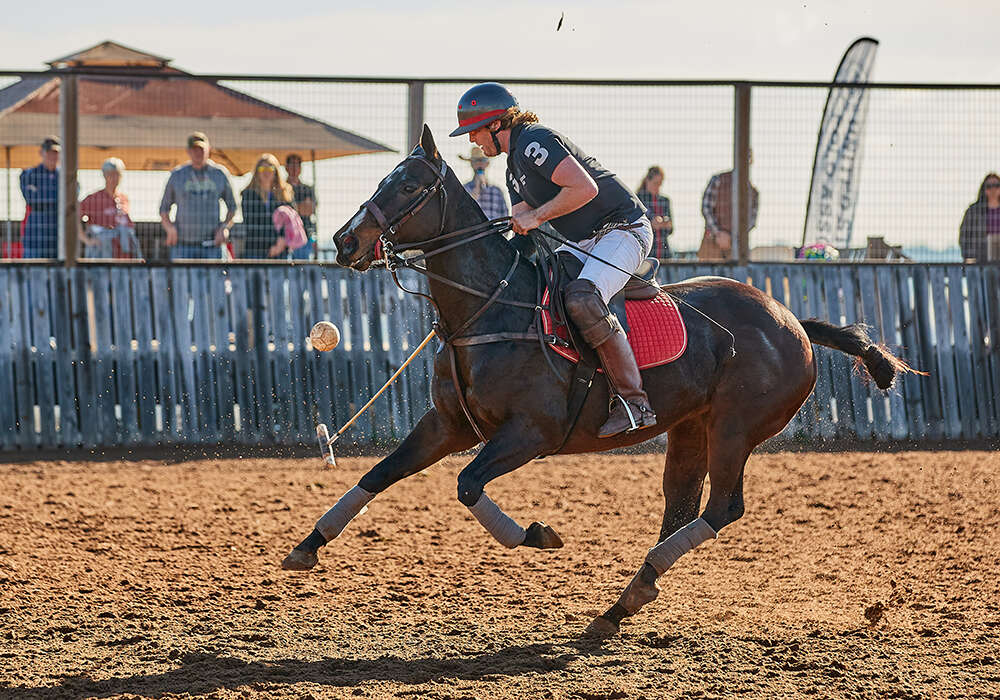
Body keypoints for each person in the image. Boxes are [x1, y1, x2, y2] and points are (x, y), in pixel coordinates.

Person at [449, 82, 656, 437]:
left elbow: (584, 188)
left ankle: (634, 402)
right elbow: (523, 232)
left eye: (475, 131)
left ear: (498, 125)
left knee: (583, 298)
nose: (473, 141)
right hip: (585, 241)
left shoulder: (534, 141)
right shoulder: (512, 168)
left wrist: (538, 216)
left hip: (623, 229)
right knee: (541, 290)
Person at [159, 132, 237, 260]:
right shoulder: (177, 175)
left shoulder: (219, 174)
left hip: (212, 245)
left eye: (201, 149)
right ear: (188, 151)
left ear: (209, 150)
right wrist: (170, 228)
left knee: (215, 279)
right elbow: (163, 209)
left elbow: (233, 207)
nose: (198, 153)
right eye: (194, 149)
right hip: (183, 246)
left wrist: (224, 228)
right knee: (183, 280)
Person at [79, 158, 141, 259]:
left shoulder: (124, 198)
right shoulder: (94, 198)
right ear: (104, 176)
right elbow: (73, 219)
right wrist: (87, 240)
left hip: (123, 253)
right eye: (110, 174)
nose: (114, 178)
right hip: (103, 251)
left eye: (117, 174)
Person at [699, 159, 759, 261]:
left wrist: (734, 238)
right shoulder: (718, 180)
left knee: (736, 275)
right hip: (712, 241)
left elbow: (752, 221)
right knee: (708, 274)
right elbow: (706, 208)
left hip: (738, 246)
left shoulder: (752, 191)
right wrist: (718, 233)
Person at [240, 154, 294, 259]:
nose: (266, 172)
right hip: (255, 249)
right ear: (257, 171)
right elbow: (250, 222)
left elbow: (290, 220)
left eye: (270, 168)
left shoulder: (284, 194)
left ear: (276, 171)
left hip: (281, 249)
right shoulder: (248, 194)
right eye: (262, 168)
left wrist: (281, 241)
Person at [19, 136, 61, 258]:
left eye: (55, 153)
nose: (52, 156)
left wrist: (41, 193)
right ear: (41, 153)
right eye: (49, 152)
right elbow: (32, 200)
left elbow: (71, 200)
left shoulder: (66, 176)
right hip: (35, 234)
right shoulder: (29, 174)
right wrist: (56, 197)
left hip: (57, 234)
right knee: (33, 272)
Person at [460, 146, 509, 220]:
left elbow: (504, 217)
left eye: (482, 160)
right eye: (476, 161)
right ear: (472, 164)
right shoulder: (464, 189)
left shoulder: (497, 191)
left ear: (487, 163)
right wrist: (476, 187)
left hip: (493, 230)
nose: (479, 164)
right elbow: (463, 213)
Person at [959, 173, 1000, 262]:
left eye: (997, 185)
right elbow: (964, 235)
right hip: (980, 260)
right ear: (984, 189)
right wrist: (969, 256)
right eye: (989, 186)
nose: (993, 189)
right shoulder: (973, 212)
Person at [285, 154, 317, 260]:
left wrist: (289, 209)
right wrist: (300, 207)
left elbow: (310, 209)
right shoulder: (281, 188)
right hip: (283, 237)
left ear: (300, 168)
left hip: (303, 236)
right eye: (292, 164)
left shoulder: (307, 189)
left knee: (302, 270)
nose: (294, 168)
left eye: (297, 165)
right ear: (286, 167)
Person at [636, 166, 673, 259]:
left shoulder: (664, 200)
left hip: (664, 253)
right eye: (656, 183)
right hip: (646, 251)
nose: (658, 187)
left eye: (660, 184)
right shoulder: (638, 199)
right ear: (647, 181)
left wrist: (664, 223)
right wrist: (652, 224)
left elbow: (671, 229)